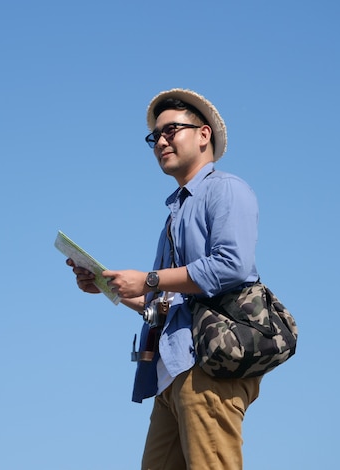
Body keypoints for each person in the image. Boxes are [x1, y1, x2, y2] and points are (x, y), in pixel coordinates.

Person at [66, 88, 262, 470]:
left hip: (208, 365)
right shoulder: (175, 213)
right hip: (171, 372)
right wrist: (111, 288)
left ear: (204, 134)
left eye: (171, 129)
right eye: (154, 136)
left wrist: (151, 279)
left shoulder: (225, 189)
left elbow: (233, 265)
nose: (161, 140)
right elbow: (165, 307)